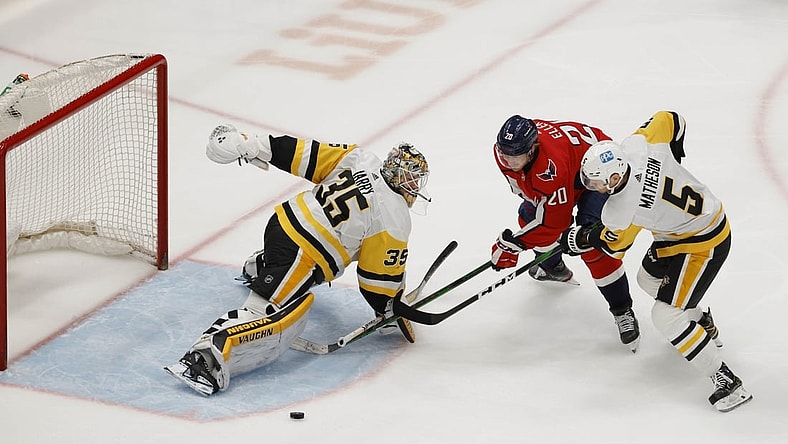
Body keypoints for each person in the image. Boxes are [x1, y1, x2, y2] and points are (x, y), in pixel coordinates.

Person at [165, 124, 430, 395]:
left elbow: (303, 154)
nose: (414, 187)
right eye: (412, 179)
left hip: (280, 224)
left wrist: (251, 144)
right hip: (302, 254)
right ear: (397, 175)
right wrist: (389, 307)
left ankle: (261, 267)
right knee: (262, 311)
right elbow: (376, 280)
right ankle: (202, 359)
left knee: (313, 257)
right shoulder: (395, 217)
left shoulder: (362, 158)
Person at [560, 110, 752, 412]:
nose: (592, 188)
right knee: (646, 280)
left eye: (596, 183)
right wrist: (672, 160)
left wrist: (579, 239)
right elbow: (671, 118)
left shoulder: (621, 210)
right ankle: (700, 321)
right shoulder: (638, 145)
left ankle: (726, 381)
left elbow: (613, 246)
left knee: (665, 316)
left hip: (704, 242)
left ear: (613, 177)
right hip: (681, 231)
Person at [490, 115, 640, 351]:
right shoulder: (506, 152)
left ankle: (622, 309)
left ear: (533, 149)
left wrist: (513, 244)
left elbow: (555, 224)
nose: (508, 160)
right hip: (568, 173)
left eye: (515, 155)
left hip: (598, 173)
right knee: (528, 217)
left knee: (589, 240)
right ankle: (553, 268)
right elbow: (530, 192)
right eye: (504, 152)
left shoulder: (552, 166)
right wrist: (524, 237)